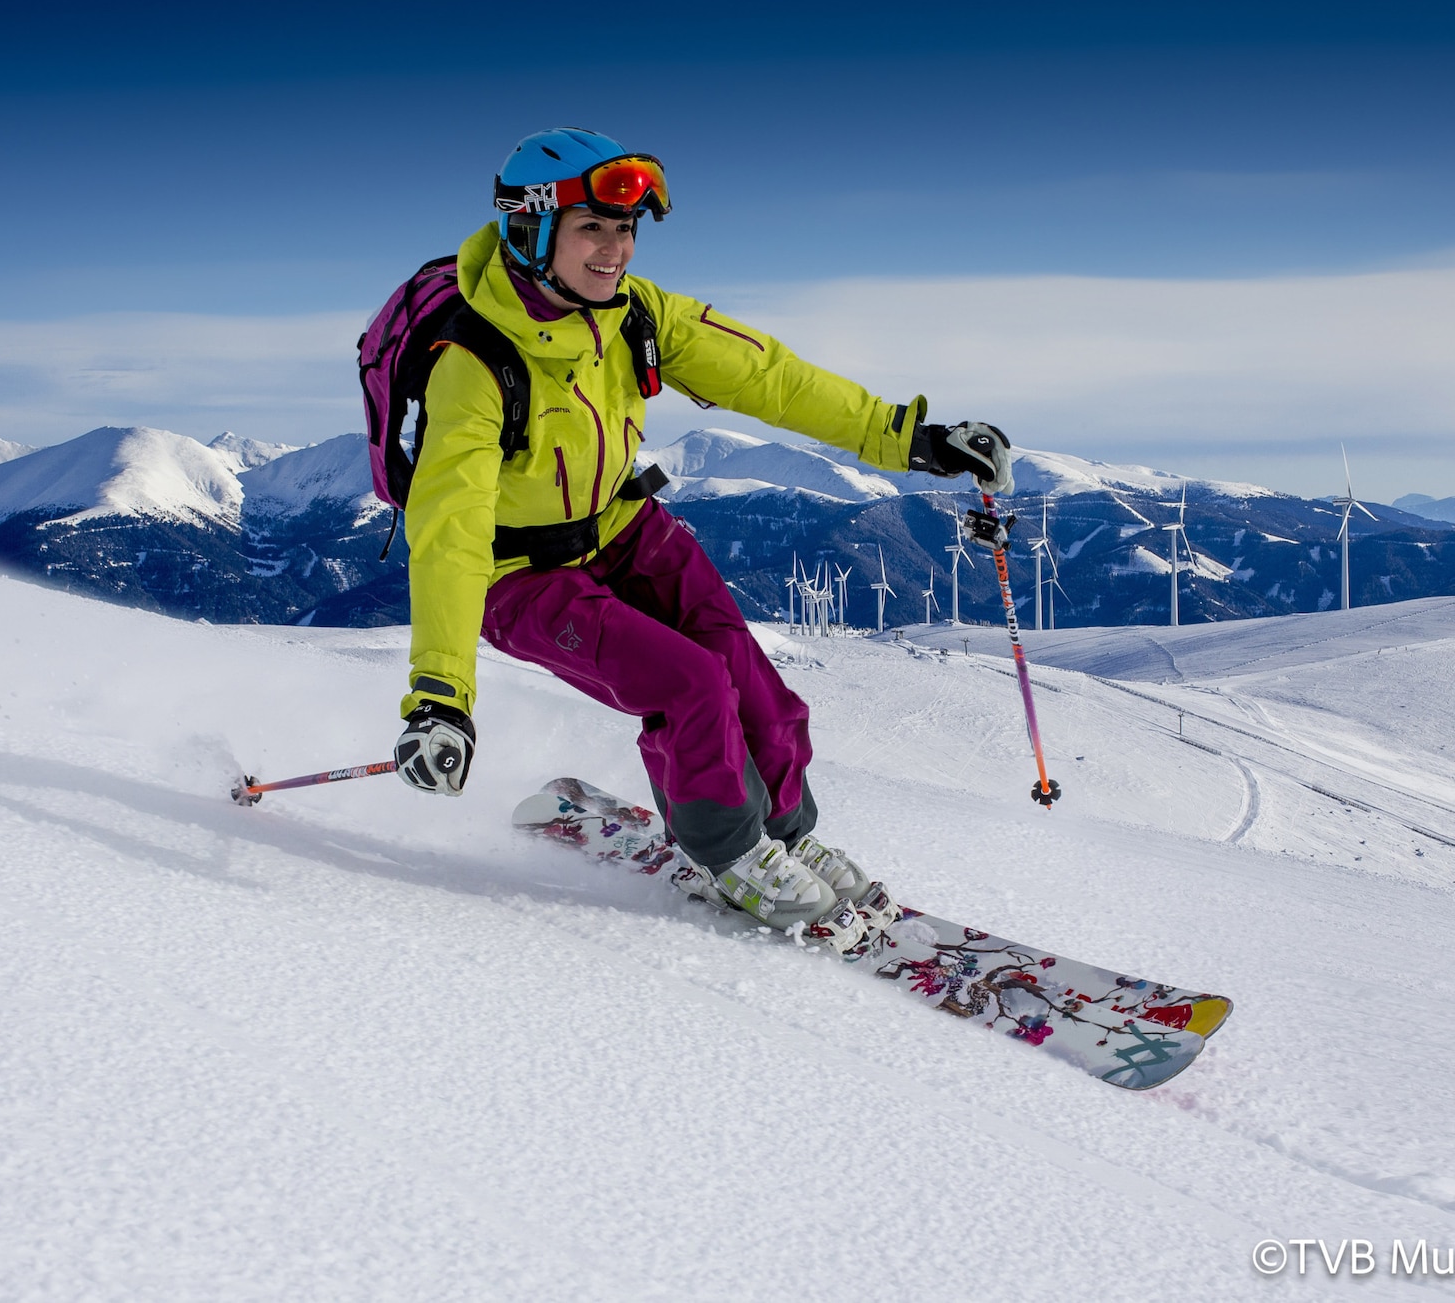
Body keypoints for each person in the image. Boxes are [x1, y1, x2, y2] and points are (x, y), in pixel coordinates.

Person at [389, 127, 1013, 953]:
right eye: (592, 229)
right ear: (531, 230)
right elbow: (449, 530)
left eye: (625, 231)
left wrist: (909, 439)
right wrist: (441, 696)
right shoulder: (473, 363)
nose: (614, 251)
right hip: (515, 573)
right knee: (688, 685)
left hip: (620, 523)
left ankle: (787, 830)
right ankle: (731, 851)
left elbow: (773, 378)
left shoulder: (635, 315)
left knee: (747, 674)